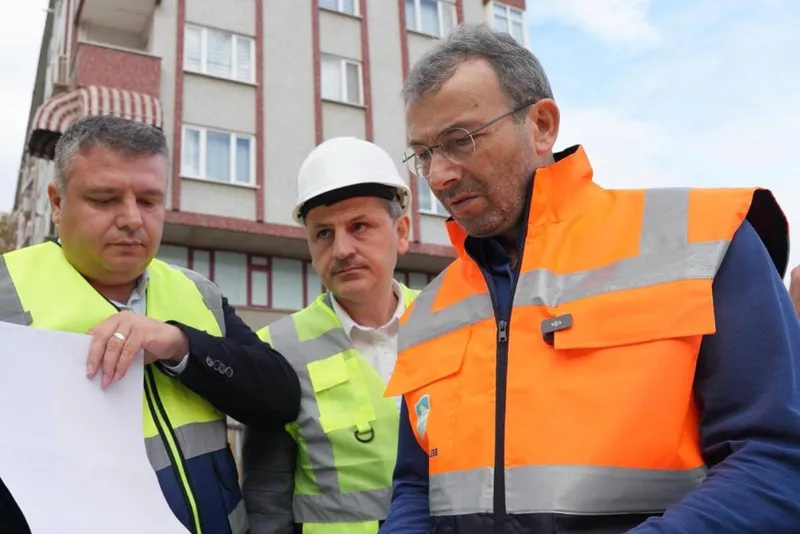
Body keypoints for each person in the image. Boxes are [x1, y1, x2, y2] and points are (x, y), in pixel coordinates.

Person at [380, 23, 800, 534]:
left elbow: (776, 460)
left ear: (542, 125)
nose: (438, 176)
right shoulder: (426, 312)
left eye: (460, 141)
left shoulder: (706, 241)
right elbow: (415, 488)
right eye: (423, 154)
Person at [0, 115, 301, 534]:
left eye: (148, 201)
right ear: (56, 201)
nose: (131, 219)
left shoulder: (198, 292)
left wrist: (180, 345)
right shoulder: (6, 294)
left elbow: (280, 396)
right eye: (104, 199)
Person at [241, 137, 420, 533]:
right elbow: (267, 502)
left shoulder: (450, 322)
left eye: (359, 227)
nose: (341, 250)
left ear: (401, 231)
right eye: (323, 233)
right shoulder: (276, 349)